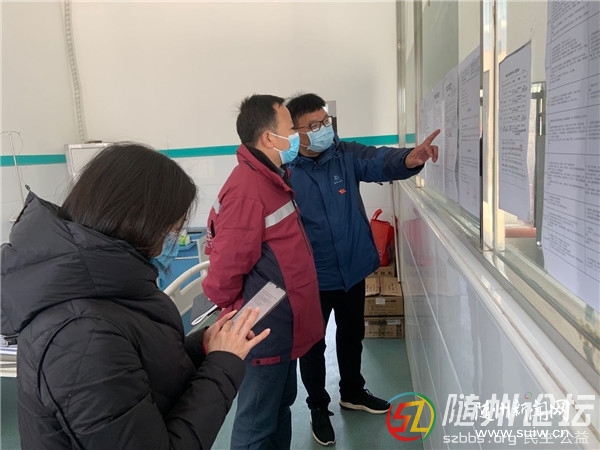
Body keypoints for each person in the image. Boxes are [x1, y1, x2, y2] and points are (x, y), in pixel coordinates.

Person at [0, 143, 270, 450]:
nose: (170, 242)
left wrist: (202, 347)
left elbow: (136, 369)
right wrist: (223, 364)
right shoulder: (80, 336)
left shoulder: (107, 286)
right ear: (139, 224)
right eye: (170, 231)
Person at [286, 93, 440, 446]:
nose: (323, 130)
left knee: (352, 333)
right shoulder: (285, 171)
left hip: (353, 268)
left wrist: (409, 158)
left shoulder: (345, 154)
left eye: (325, 121)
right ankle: (318, 407)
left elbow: (379, 160)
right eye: (313, 125)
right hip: (312, 277)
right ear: (295, 132)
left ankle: (352, 392)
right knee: (312, 347)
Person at [202, 94, 324, 450]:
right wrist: (240, 312)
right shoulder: (248, 190)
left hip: (280, 326)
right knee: (256, 424)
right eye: (291, 129)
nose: (297, 136)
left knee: (278, 407)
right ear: (270, 138)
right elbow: (224, 274)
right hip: (260, 330)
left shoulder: (271, 179)